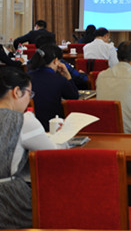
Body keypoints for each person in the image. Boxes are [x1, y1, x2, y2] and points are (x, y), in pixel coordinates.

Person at [0, 66, 65, 228]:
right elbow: (54, 155)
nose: (29, 99)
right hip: (10, 202)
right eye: (29, 93)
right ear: (17, 92)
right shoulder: (23, 121)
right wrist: (62, 138)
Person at [27, 44, 79, 130]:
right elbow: (74, 97)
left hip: (29, 126)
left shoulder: (25, 77)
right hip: (53, 126)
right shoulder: (59, 80)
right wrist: (68, 76)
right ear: (55, 61)